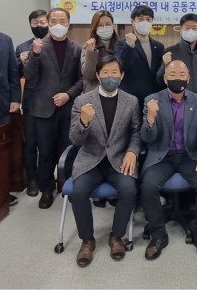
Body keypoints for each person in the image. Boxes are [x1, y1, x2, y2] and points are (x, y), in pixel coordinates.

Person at [69, 55, 141, 267]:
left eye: (114, 73)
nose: (110, 77)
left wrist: (132, 152)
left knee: (129, 190)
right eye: (106, 73)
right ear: (98, 75)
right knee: (78, 192)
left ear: (122, 75)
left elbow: (136, 132)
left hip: (119, 160)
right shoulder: (82, 101)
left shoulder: (131, 101)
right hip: (90, 160)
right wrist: (83, 122)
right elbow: (74, 140)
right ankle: (87, 240)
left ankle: (116, 236)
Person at [140, 60, 197, 261]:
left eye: (182, 74)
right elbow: (147, 138)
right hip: (162, 156)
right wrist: (151, 119)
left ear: (188, 77)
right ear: (165, 78)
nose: (177, 78)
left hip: (189, 156)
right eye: (172, 74)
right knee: (148, 185)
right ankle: (158, 235)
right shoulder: (152, 100)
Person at [24, 8, 83, 209]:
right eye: (54, 21)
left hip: (68, 108)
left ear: (68, 23)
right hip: (43, 108)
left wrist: (68, 94)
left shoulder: (77, 48)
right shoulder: (39, 46)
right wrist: (35, 54)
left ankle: (69, 187)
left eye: (62, 20)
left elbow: (81, 79)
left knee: (69, 149)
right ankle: (46, 190)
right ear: (48, 23)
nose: (58, 24)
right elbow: (29, 75)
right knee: (46, 151)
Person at [16, 9, 48, 197]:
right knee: (30, 144)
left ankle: (45, 180)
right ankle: (31, 180)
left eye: (43, 22)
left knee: (46, 144)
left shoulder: (53, 45)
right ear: (30, 24)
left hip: (50, 102)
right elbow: (15, 74)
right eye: (35, 23)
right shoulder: (22, 47)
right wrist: (21, 62)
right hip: (30, 102)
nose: (39, 26)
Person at [114, 5, 164, 110]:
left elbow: (160, 75)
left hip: (153, 99)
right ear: (133, 22)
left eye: (148, 19)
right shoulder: (122, 44)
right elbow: (119, 68)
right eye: (140, 19)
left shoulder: (159, 46)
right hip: (131, 99)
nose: (145, 22)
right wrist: (129, 46)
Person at [156, 13, 197, 101]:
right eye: (187, 28)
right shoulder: (170, 52)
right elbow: (159, 80)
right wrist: (164, 65)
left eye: (194, 28)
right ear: (180, 30)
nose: (191, 31)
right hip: (177, 102)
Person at [81, 10, 119, 93]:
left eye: (108, 24)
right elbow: (89, 75)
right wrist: (91, 52)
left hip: (116, 92)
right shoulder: (88, 46)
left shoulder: (120, 45)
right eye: (100, 25)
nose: (105, 27)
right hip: (94, 93)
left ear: (113, 25)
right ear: (95, 28)